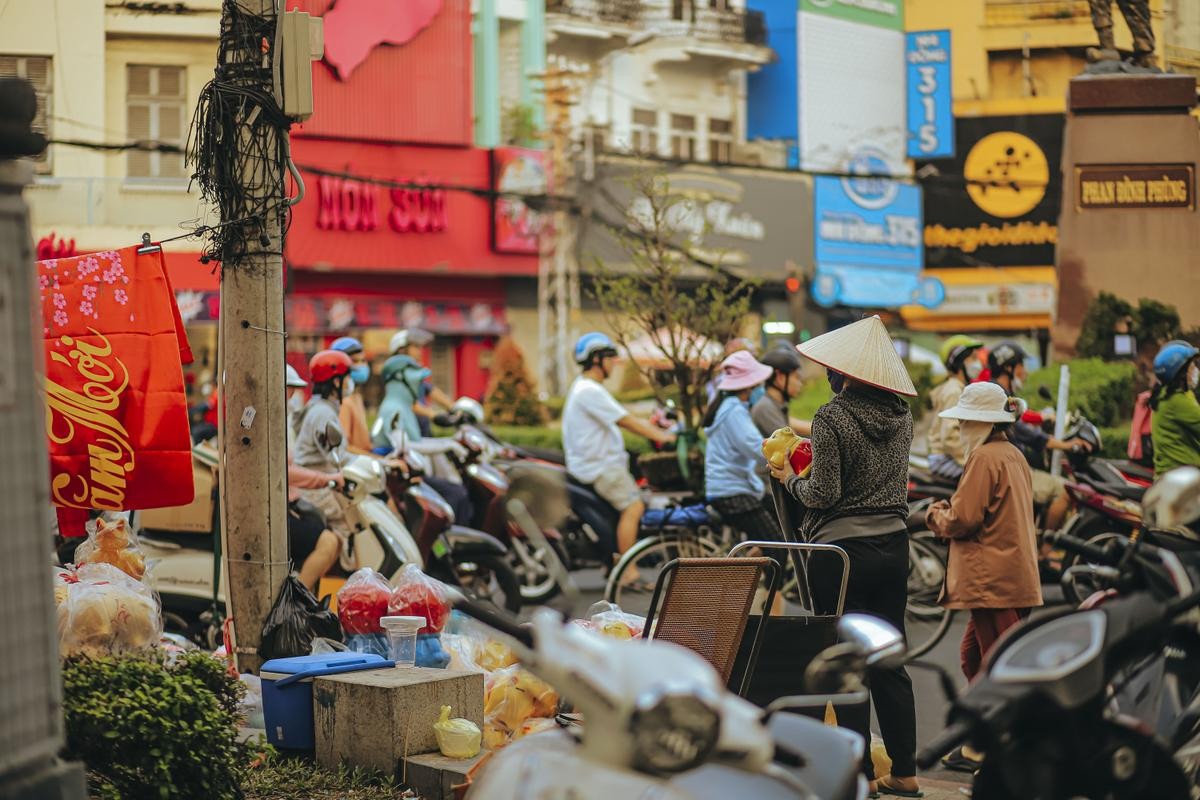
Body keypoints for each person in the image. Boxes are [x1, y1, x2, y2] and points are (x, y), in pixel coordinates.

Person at [768, 315, 920, 797]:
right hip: (894, 548)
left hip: (842, 555)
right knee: (889, 661)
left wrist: (789, 479)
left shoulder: (831, 418)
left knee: (848, 660)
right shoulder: (902, 417)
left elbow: (822, 492)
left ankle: (862, 777)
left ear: (846, 373)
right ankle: (907, 773)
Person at [925, 382, 1043, 773]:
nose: (959, 428)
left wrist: (932, 515)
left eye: (963, 421)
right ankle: (979, 739)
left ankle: (991, 745)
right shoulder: (1012, 454)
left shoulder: (984, 459)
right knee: (975, 657)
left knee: (996, 666)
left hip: (992, 580)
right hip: (1012, 576)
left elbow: (963, 519)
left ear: (978, 422)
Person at [563, 332, 676, 556]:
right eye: (610, 357)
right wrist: (665, 437)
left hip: (596, 465)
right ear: (596, 360)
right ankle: (628, 571)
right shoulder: (589, 390)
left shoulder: (585, 387)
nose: (614, 363)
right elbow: (627, 421)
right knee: (634, 507)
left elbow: (624, 413)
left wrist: (655, 426)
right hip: (601, 468)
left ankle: (612, 560)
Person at [988, 340, 1090, 534]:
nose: (1025, 372)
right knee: (1066, 490)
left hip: (1009, 466)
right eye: (1021, 366)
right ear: (1008, 368)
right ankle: (1044, 549)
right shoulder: (1000, 396)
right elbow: (1027, 434)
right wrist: (1067, 445)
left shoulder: (998, 392)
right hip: (1009, 471)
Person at [704, 351, 782, 543]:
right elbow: (757, 448)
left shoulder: (728, 407)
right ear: (749, 386)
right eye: (759, 384)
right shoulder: (734, 412)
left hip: (733, 489)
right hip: (733, 493)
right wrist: (786, 456)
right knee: (776, 545)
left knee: (778, 520)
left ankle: (756, 562)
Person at [292, 350, 357, 564]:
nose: (350, 383)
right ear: (336, 382)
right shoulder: (323, 414)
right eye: (347, 378)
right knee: (352, 524)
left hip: (320, 482)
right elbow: (336, 457)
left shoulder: (321, 408)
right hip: (315, 488)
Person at [284, 364, 342, 591]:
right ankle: (297, 604)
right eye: (289, 389)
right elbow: (282, 472)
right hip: (277, 509)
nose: (292, 395)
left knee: (332, 539)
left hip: (291, 502)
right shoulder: (268, 423)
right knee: (328, 542)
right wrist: (325, 478)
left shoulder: (281, 419)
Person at [926, 335, 985, 481]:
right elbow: (950, 437)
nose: (978, 364)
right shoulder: (954, 391)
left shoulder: (957, 388)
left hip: (949, 457)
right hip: (946, 459)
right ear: (959, 363)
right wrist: (971, 462)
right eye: (972, 358)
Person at [1149, 340, 1200, 476]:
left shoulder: (1167, 394)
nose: (1196, 369)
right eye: (1192, 366)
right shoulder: (1176, 401)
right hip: (1180, 479)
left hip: (1177, 476)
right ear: (1181, 372)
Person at [390, 328, 452, 437]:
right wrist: (434, 415)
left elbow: (430, 390)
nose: (420, 351)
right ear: (401, 350)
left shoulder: (414, 374)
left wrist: (454, 407)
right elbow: (407, 403)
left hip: (423, 429)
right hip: (408, 434)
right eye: (416, 347)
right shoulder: (396, 375)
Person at [330, 336, 373, 452]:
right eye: (354, 361)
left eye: (363, 361)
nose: (361, 366)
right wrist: (379, 460)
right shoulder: (344, 402)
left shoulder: (357, 397)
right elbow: (345, 448)